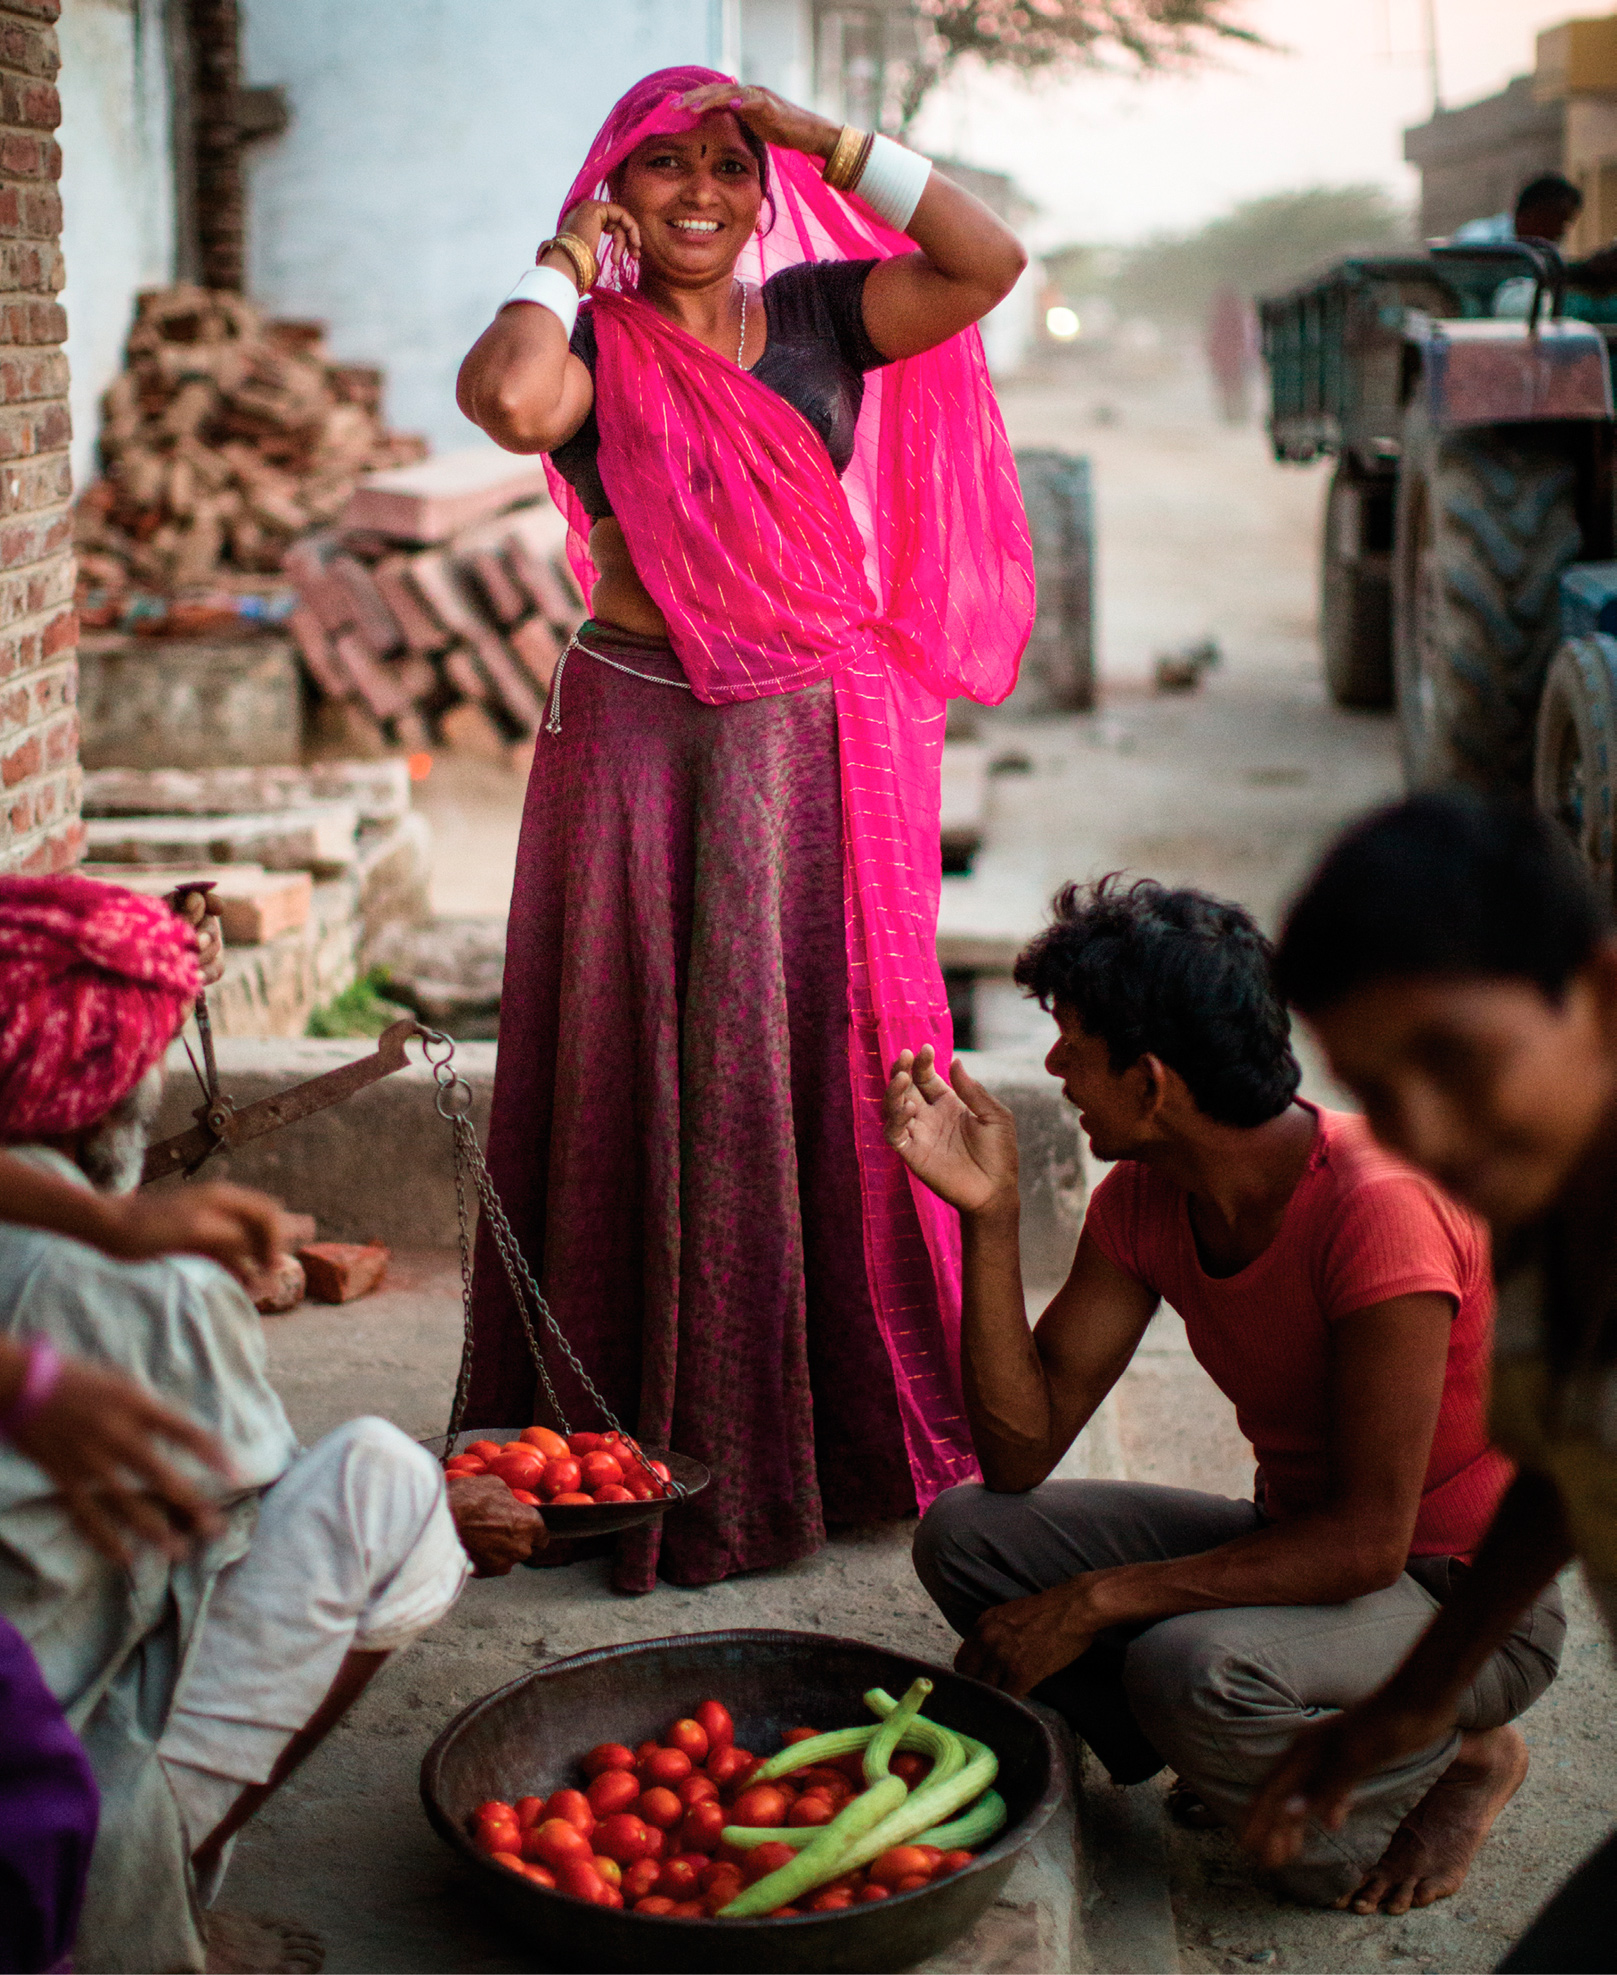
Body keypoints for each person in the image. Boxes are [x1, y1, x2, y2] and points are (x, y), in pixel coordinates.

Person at [455, 69, 1035, 1592]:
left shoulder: (830, 316)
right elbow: (508, 400)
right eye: (665, 170)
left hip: (806, 744)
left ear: (765, 183)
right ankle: (637, 1425)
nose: (702, 192)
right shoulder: (590, 344)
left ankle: (826, 1435)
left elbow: (988, 263)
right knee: (644, 1060)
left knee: (818, 1070)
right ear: (616, 192)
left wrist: (829, 140)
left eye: (728, 165)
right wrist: (566, 261)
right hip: (640, 737)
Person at [885, 876, 1563, 1912]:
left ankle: (1458, 1757)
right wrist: (990, 1216)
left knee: (1188, 1668)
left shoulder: (1383, 1211)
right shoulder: (1147, 1198)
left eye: (1071, 1045)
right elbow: (1020, 1455)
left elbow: (1369, 1544)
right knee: (966, 1536)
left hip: (1463, 1599)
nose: (1056, 1067)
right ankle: (1248, 1741)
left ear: (1150, 1082)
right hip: (1305, 1552)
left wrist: (1094, 1598)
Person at [0, 876, 544, 1973]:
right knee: (384, 1486)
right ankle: (153, 1912)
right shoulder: (153, 1293)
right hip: (47, 1787)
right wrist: (443, 1510)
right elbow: (236, 1525)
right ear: (111, 1091)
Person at [1247, 792, 1617, 1968]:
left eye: (1458, 1059)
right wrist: (1421, 1692)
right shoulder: (1544, 1200)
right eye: (1380, 1088)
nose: (1430, 1131)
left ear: (1602, 1000)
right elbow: (1569, 1460)